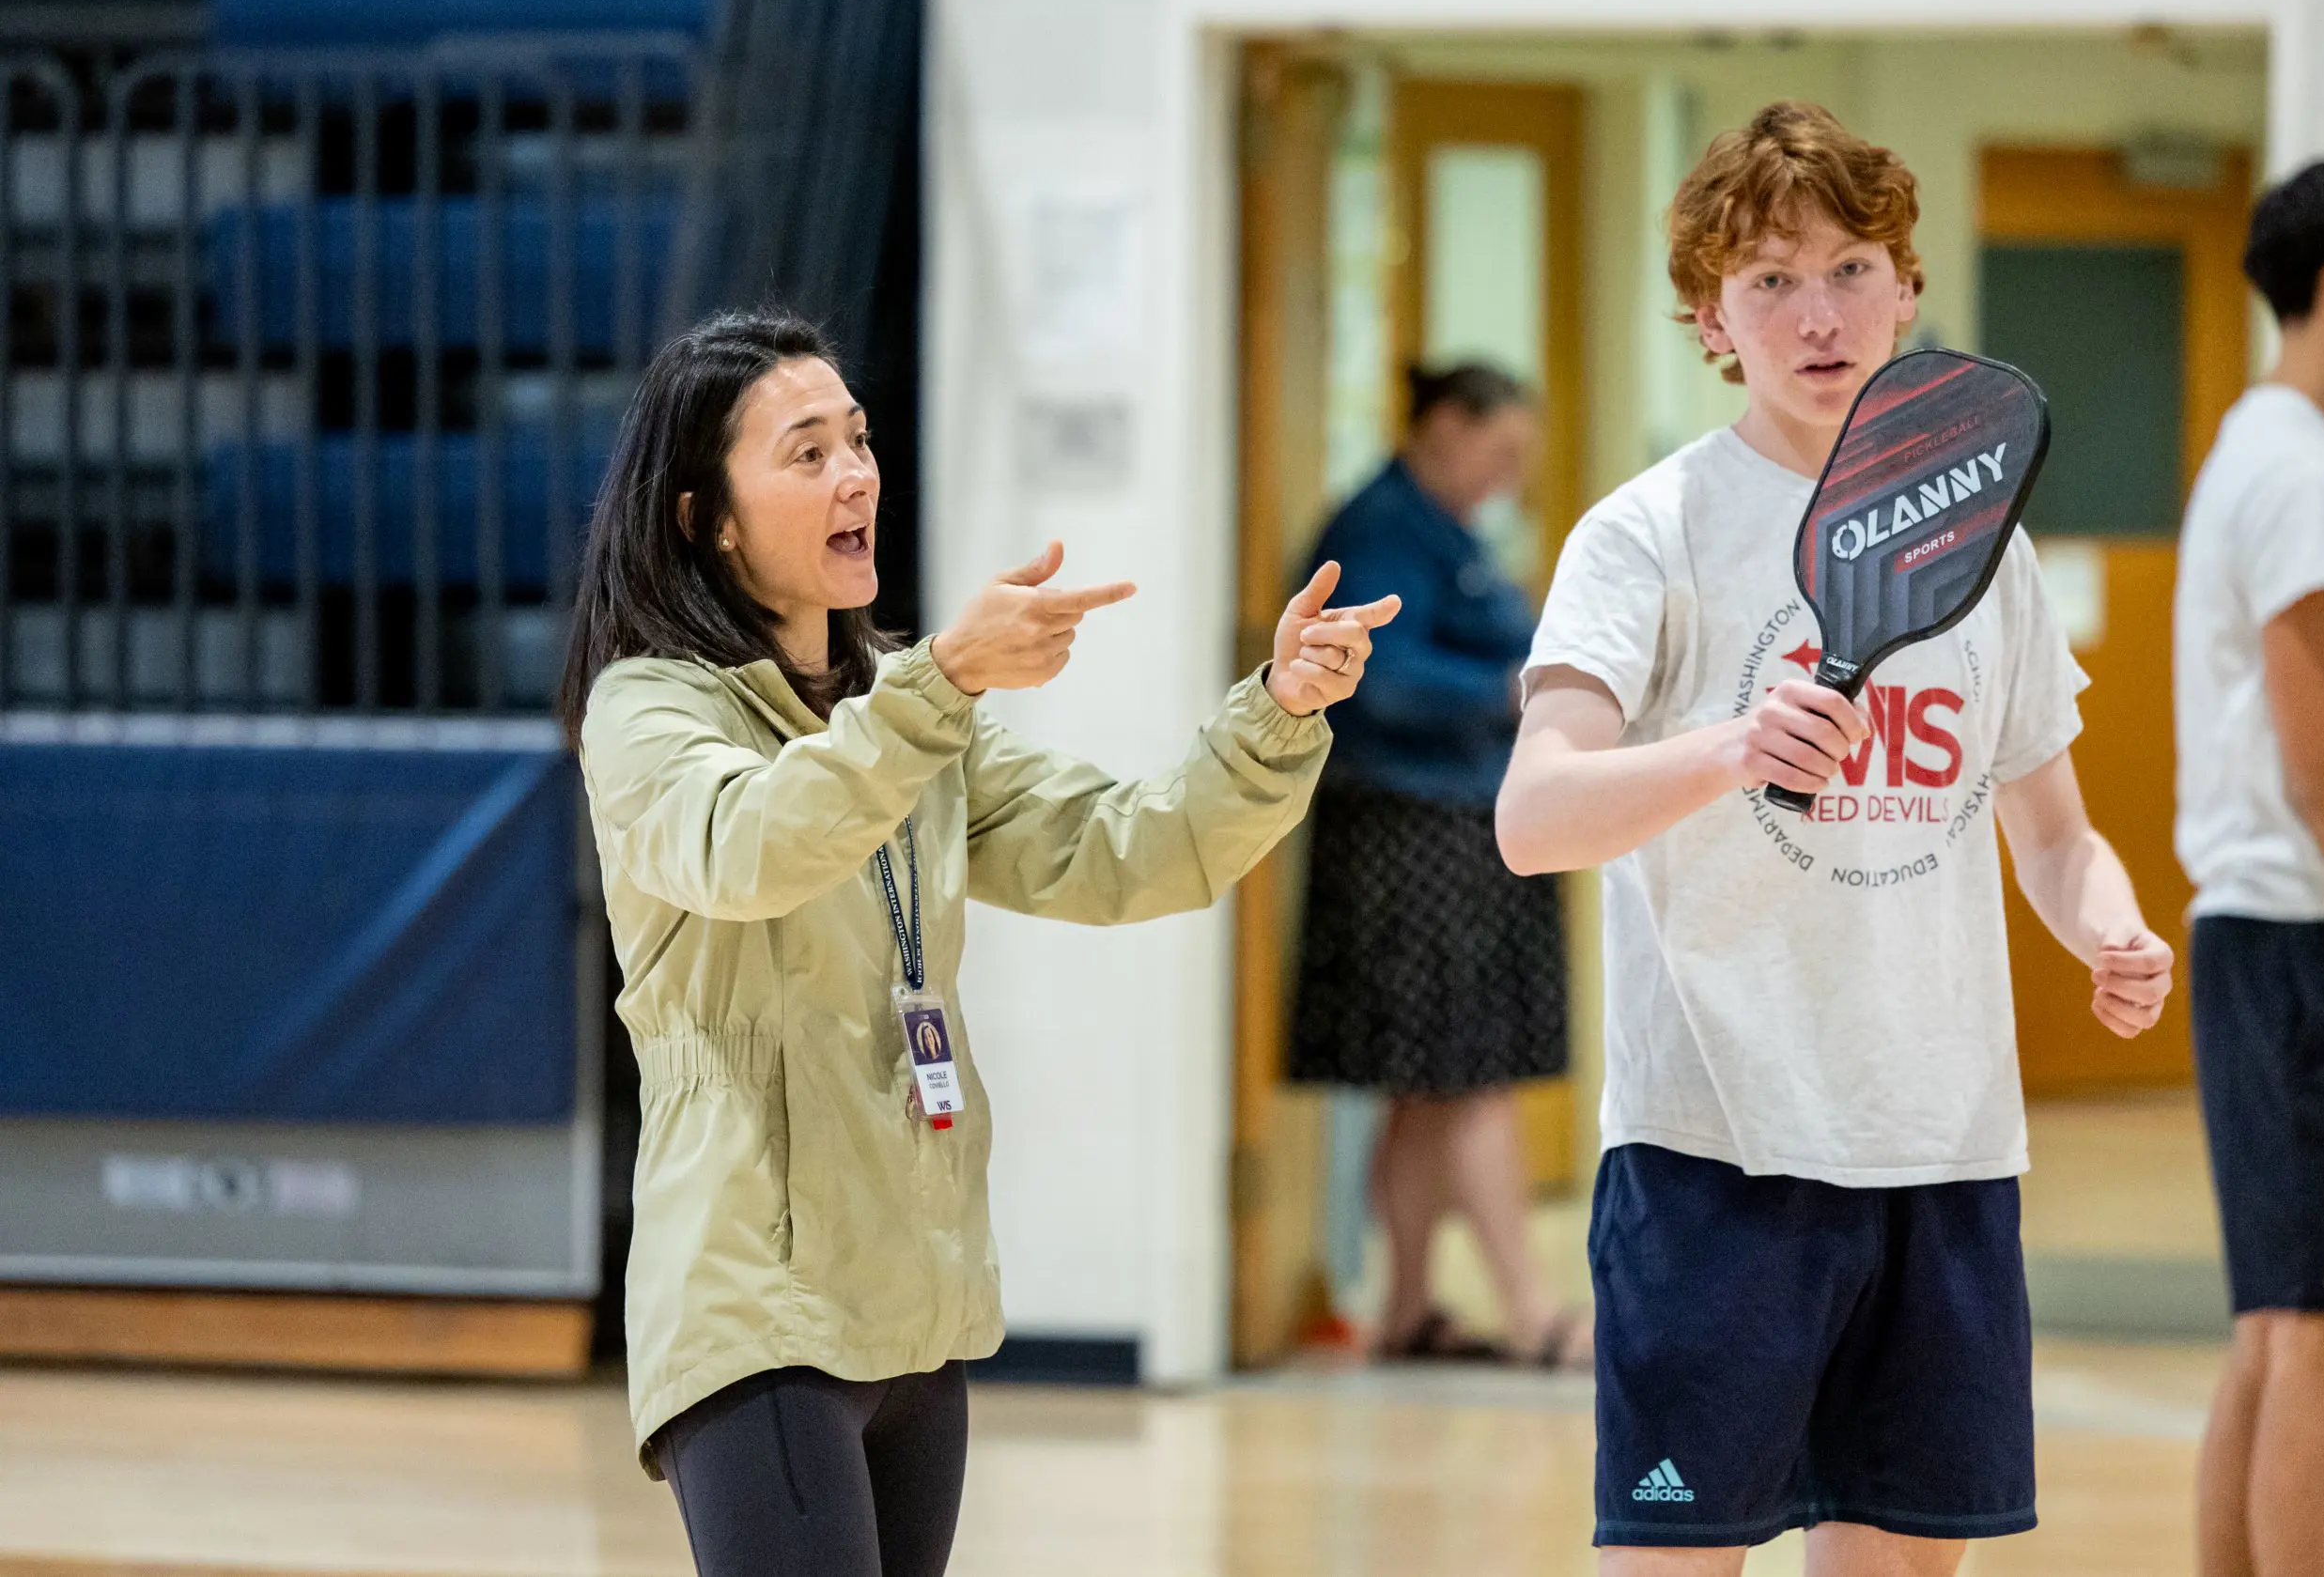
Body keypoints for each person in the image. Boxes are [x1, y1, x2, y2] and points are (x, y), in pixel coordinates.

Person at [556, 309, 1400, 1577]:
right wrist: (942, 683)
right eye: (805, 452)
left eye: (859, 439)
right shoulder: (649, 708)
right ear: (703, 517)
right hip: (756, 1306)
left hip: (917, 1308)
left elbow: (1133, 850)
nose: (856, 474)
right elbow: (747, 846)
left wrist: (1278, 714)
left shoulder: (897, 699)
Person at [1493, 101, 2175, 1573]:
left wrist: (2107, 924)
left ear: (1909, 288)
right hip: (1713, 1157)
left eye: (1852, 269)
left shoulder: (1983, 545)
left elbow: (2052, 832)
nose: (1820, 314)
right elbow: (1535, 813)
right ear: (1710, 318)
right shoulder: (1646, 532)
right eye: (1772, 281)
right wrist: (1732, 747)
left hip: (1941, 1149)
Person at [2175, 161, 2324, 1577]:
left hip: (2275, 942)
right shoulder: (2302, 472)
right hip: (2311, 940)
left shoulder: (2262, 452)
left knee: (2282, 1329)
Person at [1287, 361, 1582, 1368]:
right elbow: (1383, 681)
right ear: (1444, 427)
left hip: (1449, 828)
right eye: (1498, 453)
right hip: (1410, 834)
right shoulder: (1381, 530)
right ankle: (1535, 1313)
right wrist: (1512, 687)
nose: (1504, 480)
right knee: (1471, 1075)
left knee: (1422, 1083)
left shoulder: (1441, 532)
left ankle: (1407, 1306)